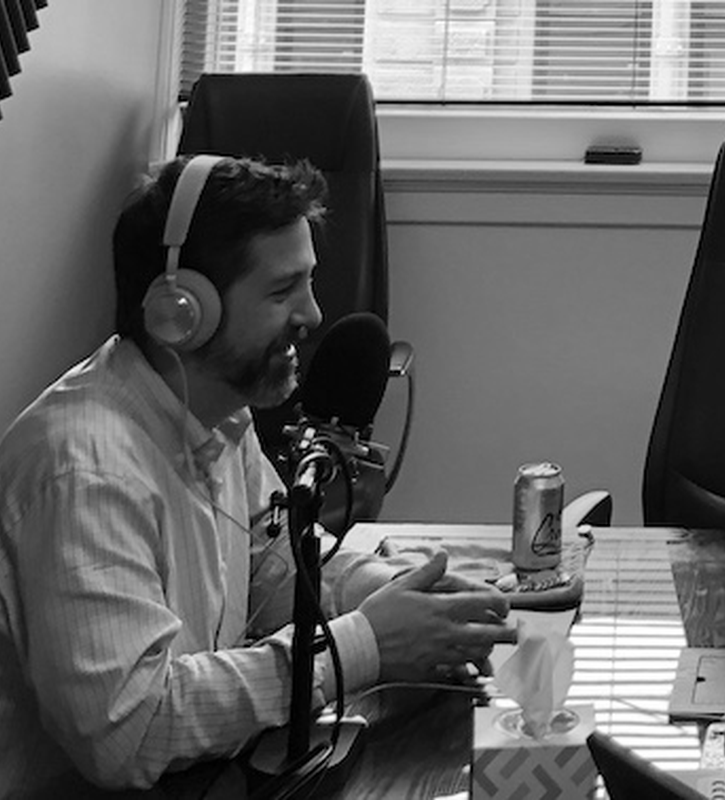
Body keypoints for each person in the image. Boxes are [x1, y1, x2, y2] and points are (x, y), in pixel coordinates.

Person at [0, 155, 519, 794]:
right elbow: (130, 732)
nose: (313, 314)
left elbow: (272, 567)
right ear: (181, 312)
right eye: (282, 291)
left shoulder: (215, 414)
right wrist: (366, 646)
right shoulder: (83, 472)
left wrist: (399, 597)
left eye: (309, 283)